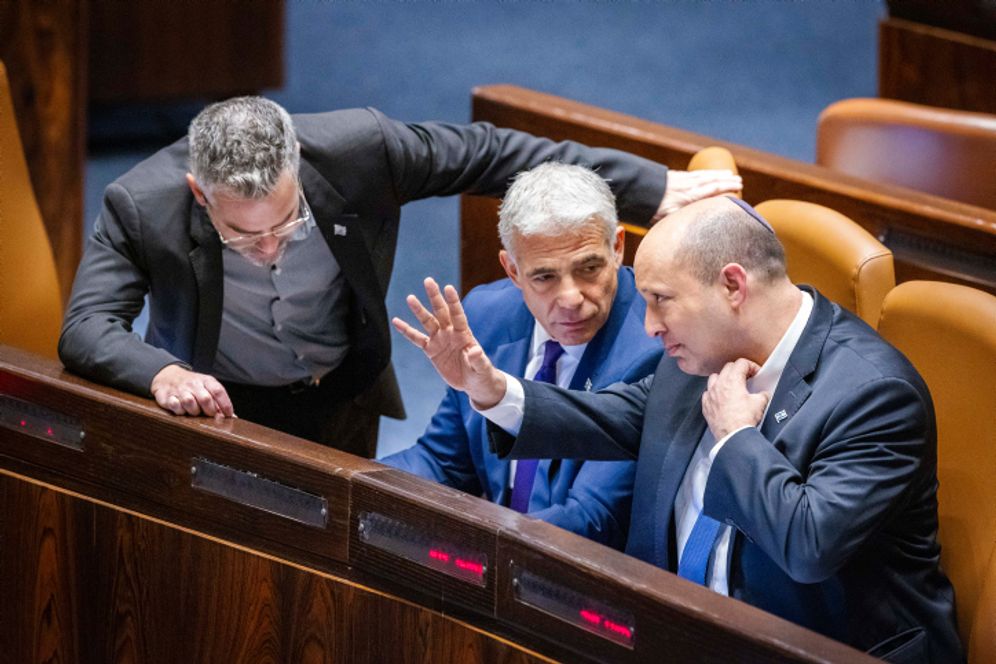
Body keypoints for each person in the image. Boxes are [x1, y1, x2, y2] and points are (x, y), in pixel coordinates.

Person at [393, 196, 962, 662]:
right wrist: (492, 391)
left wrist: (738, 438)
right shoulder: (703, 353)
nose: (648, 325)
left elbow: (809, 546)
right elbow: (615, 415)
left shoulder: (873, 394)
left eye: (661, 301)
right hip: (682, 632)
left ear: (733, 287)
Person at [58, 96, 739, 457]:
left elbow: (493, 153)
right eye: (244, 235)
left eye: (286, 224)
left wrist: (650, 189)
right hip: (222, 410)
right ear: (198, 194)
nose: (268, 250)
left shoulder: (357, 151)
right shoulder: (141, 204)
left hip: (344, 392)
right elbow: (87, 327)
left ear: (299, 167)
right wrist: (161, 374)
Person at [382, 163, 661, 548]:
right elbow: (444, 462)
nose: (570, 299)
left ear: (617, 247)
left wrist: (475, 544)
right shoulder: (484, 316)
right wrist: (360, 486)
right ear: (512, 270)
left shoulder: (654, 347)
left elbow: (595, 519)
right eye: (545, 277)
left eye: (589, 268)